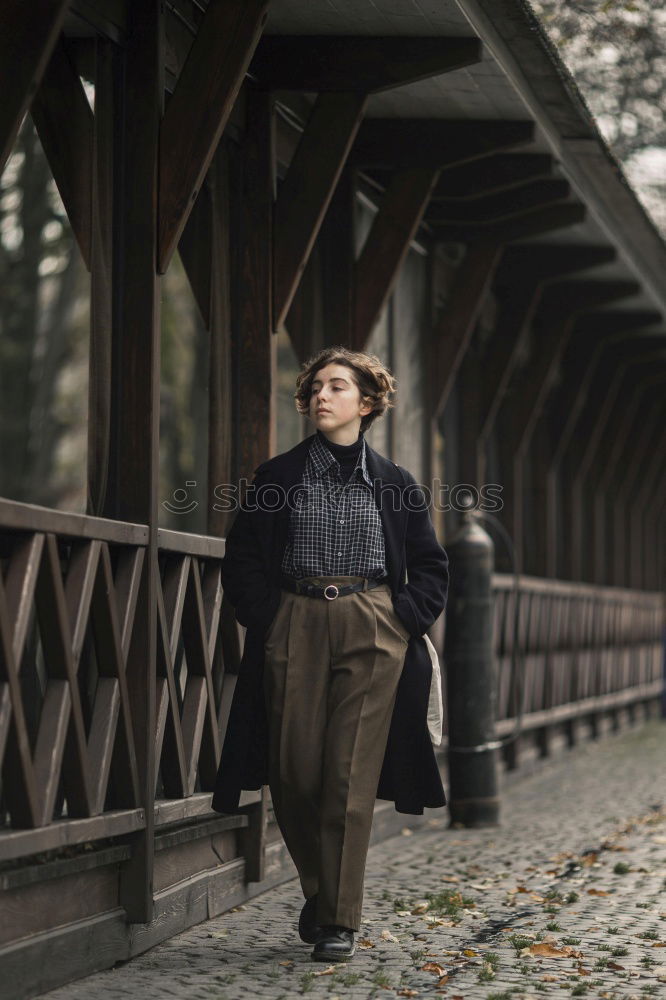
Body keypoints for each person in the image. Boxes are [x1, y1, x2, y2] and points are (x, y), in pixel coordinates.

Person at [212, 346, 449, 962]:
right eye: (315, 386)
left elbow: (429, 566)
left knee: (348, 776)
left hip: (373, 626)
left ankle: (339, 921)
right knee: (292, 771)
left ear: (366, 403)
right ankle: (321, 896)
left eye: (336, 386)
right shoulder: (278, 477)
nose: (321, 395)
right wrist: (268, 617)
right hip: (294, 619)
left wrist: (401, 620)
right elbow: (241, 559)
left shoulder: (395, 485)